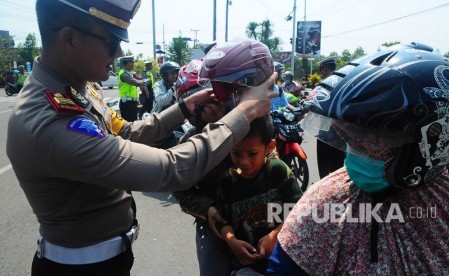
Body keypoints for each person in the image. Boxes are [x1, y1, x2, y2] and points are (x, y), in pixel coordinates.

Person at [5, 1, 277, 275]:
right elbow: (170, 169)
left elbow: (125, 133)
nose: (121, 52)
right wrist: (244, 112)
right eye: (112, 41)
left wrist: (183, 108)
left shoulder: (78, 88)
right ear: (70, 39)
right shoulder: (50, 119)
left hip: (106, 258)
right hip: (80, 267)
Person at [267, 44, 449, 274]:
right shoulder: (323, 201)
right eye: (349, 140)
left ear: (432, 141)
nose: (353, 153)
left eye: (368, 145)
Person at [173, 40, 278, 276]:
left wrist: (276, 231)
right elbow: (180, 189)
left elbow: (282, 184)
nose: (209, 108)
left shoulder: (253, 128)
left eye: (215, 99)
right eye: (200, 104)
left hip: (262, 219)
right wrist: (209, 210)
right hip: (215, 225)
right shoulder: (189, 142)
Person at [216, 115, 303, 275]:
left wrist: (275, 234)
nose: (244, 162)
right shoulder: (227, 181)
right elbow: (222, 220)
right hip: (247, 265)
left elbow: (299, 211)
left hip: (284, 257)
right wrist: (232, 241)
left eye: (252, 153)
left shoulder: (278, 171)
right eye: (236, 153)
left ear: (269, 147)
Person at [315, 56, 345, 179]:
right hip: (341, 129)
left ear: (326, 69)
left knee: (324, 165)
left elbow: (314, 103)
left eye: (322, 69)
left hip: (325, 129)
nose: (321, 73)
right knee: (338, 165)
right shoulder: (343, 82)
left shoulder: (323, 85)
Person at [118, 55, 145, 122]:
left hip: (131, 102)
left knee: (134, 122)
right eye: (132, 62)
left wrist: (136, 99)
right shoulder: (123, 74)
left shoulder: (128, 73)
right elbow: (135, 83)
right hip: (126, 104)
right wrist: (145, 81)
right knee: (129, 125)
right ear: (127, 63)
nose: (133, 64)